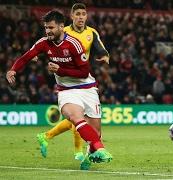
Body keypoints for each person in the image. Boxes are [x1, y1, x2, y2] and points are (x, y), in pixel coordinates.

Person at [6, 10, 112, 170]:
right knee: (75, 117)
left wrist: (60, 70)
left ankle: (89, 156)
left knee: (95, 133)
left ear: (61, 27)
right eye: (46, 28)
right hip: (66, 90)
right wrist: (13, 69)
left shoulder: (74, 44)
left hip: (87, 88)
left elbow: (83, 73)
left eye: (51, 28)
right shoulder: (43, 43)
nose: (48, 31)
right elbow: (27, 56)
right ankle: (101, 148)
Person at [35, 3, 110, 170]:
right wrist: (36, 57)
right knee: (77, 119)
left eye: (83, 14)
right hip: (65, 80)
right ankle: (79, 152)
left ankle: (82, 154)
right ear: (71, 16)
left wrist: (105, 56)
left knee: (91, 127)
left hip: (83, 79)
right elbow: (45, 45)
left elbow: (100, 47)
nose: (81, 17)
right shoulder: (63, 32)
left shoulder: (92, 33)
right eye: (78, 14)